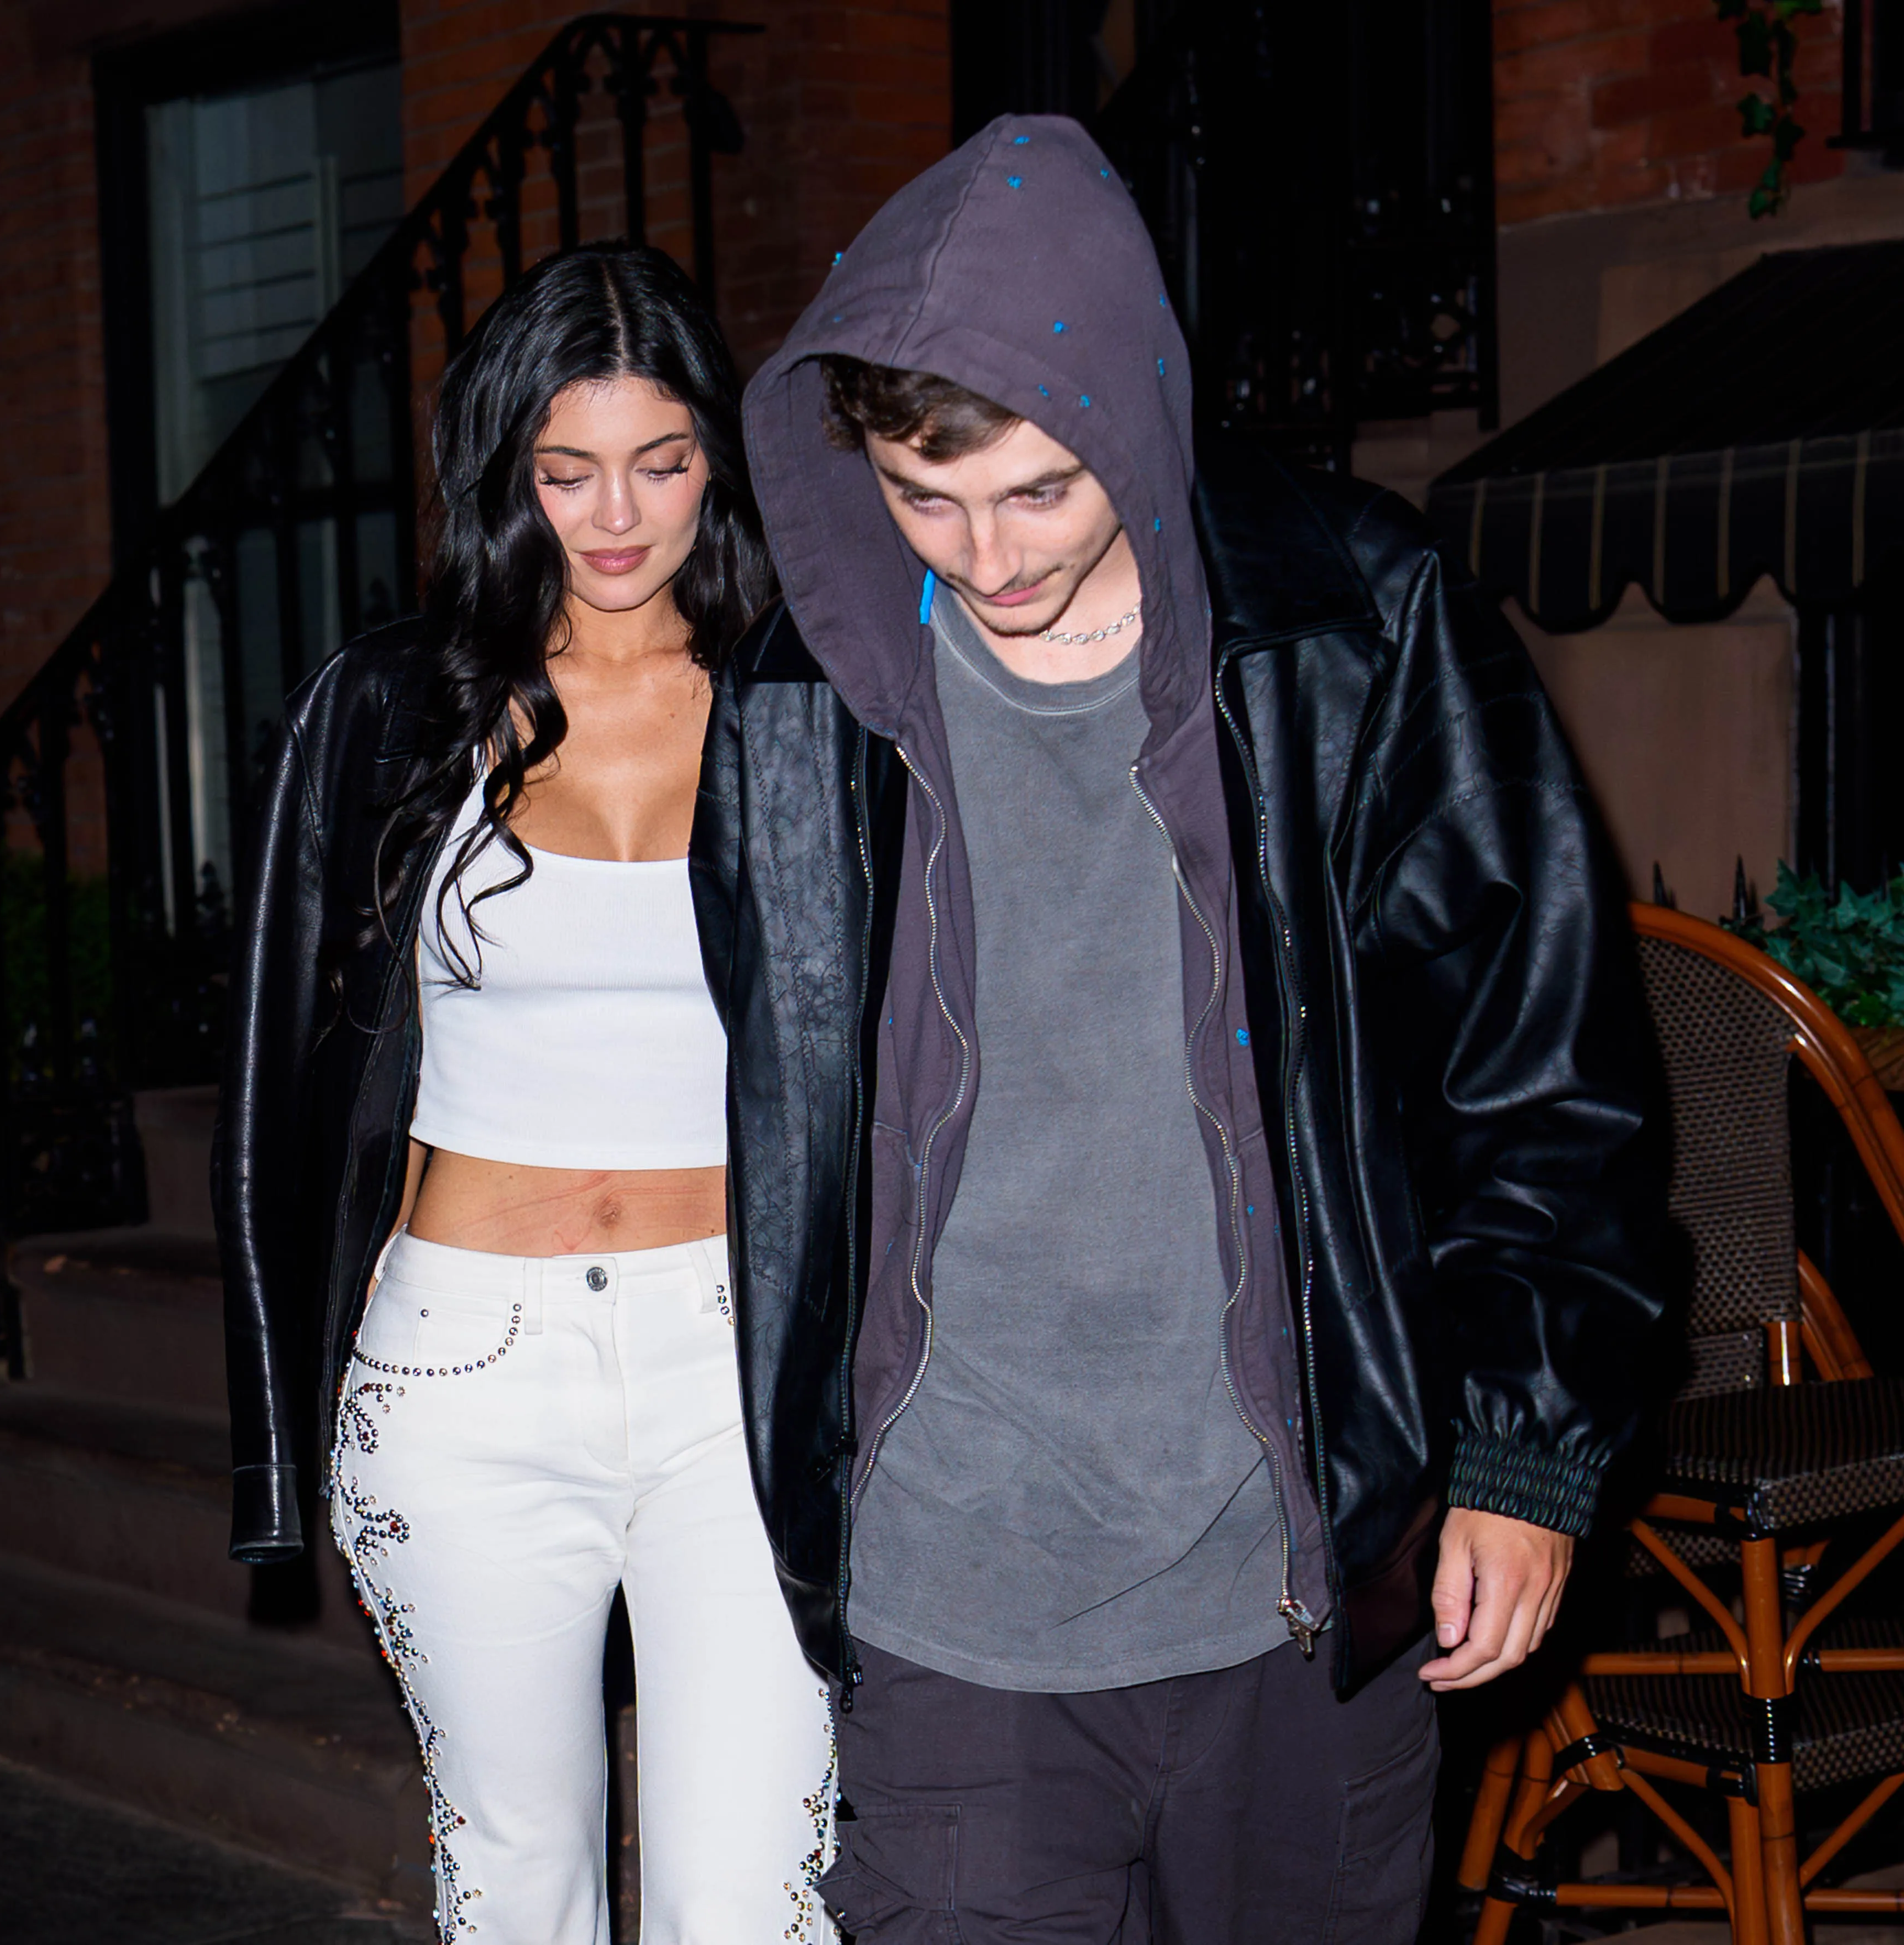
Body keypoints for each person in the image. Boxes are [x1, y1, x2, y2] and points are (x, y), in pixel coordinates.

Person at [689, 118, 1664, 1942]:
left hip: (1292, 1587)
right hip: (948, 1588)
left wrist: (1523, 1455)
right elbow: (783, 1123)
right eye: (922, 493)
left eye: (1040, 491)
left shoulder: (1354, 633)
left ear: (1133, 419)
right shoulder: (795, 708)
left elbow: (1541, 1072)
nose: (984, 555)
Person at [214, 242, 836, 1945]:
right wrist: (274, 1429)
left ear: (721, 457)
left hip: (742, 1361)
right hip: (465, 1367)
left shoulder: (819, 707)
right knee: (515, 1885)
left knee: (757, 1906)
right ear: (505, 471)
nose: (615, 517)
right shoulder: (390, 711)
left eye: (661, 462)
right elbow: (276, 1095)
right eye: (566, 471)